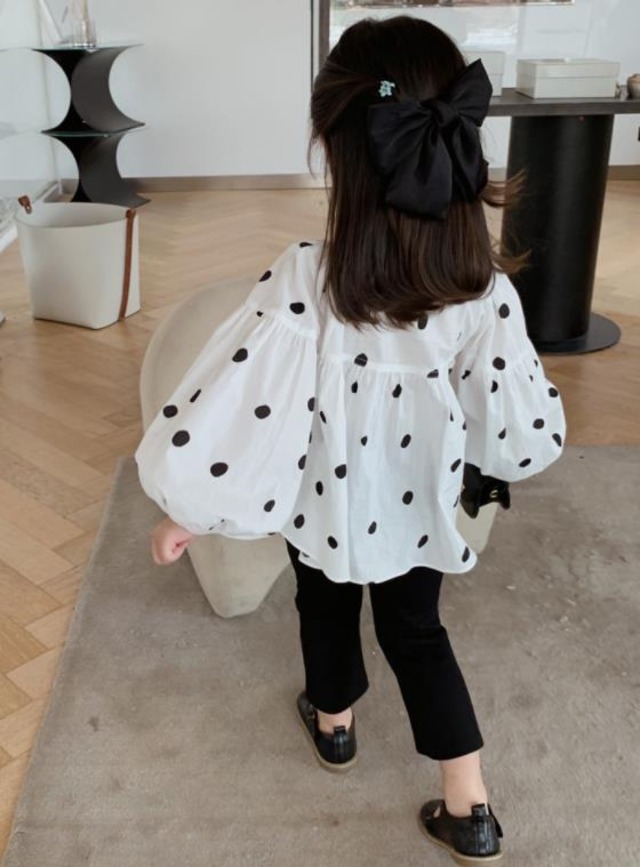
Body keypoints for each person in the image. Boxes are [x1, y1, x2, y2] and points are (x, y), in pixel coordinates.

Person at [135, 16, 566, 864]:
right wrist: (487, 466)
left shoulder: (305, 279)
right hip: (420, 506)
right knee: (417, 630)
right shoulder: (482, 290)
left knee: (325, 607)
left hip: (321, 505)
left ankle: (334, 724)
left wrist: (191, 509)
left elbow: (242, 406)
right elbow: (512, 420)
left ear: (337, 151)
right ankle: (470, 804)